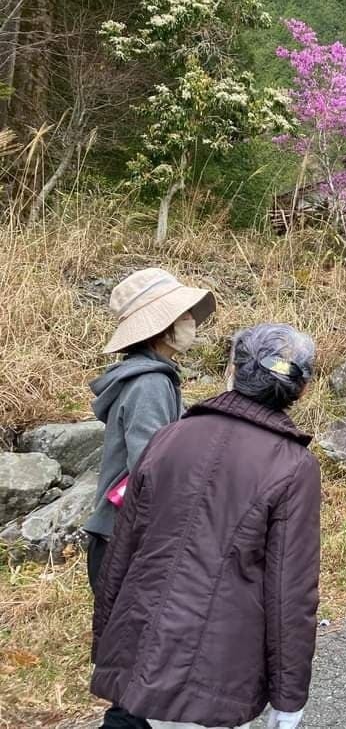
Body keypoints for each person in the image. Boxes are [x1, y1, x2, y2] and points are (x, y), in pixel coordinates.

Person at [91, 324, 321, 729]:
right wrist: (289, 699)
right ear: (301, 391)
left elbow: (123, 549)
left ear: (232, 371)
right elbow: (290, 591)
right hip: (216, 672)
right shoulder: (293, 466)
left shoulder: (170, 437)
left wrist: (108, 647)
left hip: (139, 649)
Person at [86, 268, 215, 729]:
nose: (191, 322)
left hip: (118, 534)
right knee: (142, 664)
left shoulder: (148, 378)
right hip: (130, 539)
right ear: (162, 326)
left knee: (139, 661)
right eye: (183, 315)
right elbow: (153, 469)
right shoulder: (150, 384)